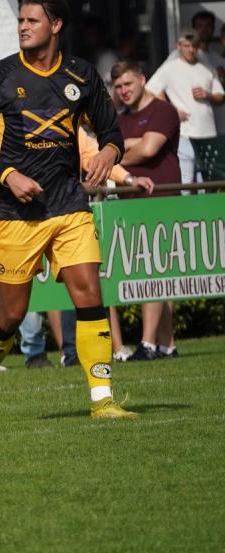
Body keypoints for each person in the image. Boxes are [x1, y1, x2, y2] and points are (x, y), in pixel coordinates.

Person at [0, 0, 139, 426]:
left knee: (89, 292)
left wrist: (108, 154)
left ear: (56, 25)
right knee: (12, 313)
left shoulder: (82, 74)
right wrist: (9, 176)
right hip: (14, 212)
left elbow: (112, 132)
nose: (23, 27)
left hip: (68, 204)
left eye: (32, 20)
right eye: (20, 20)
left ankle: (102, 399)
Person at [112, 60, 180, 360]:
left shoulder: (163, 111)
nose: (123, 91)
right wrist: (132, 144)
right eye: (118, 87)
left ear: (142, 79)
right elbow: (106, 151)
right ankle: (167, 344)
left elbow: (149, 149)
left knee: (155, 271)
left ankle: (148, 343)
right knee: (148, 272)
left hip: (161, 199)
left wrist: (121, 152)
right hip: (131, 203)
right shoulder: (120, 119)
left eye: (128, 83)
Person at [146, 31, 224, 183]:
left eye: (194, 46)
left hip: (208, 133)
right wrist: (171, 110)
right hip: (184, 134)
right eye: (187, 45)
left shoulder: (207, 68)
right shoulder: (169, 68)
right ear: (179, 46)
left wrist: (208, 95)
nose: (191, 49)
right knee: (186, 179)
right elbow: (149, 90)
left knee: (207, 181)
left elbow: (220, 96)